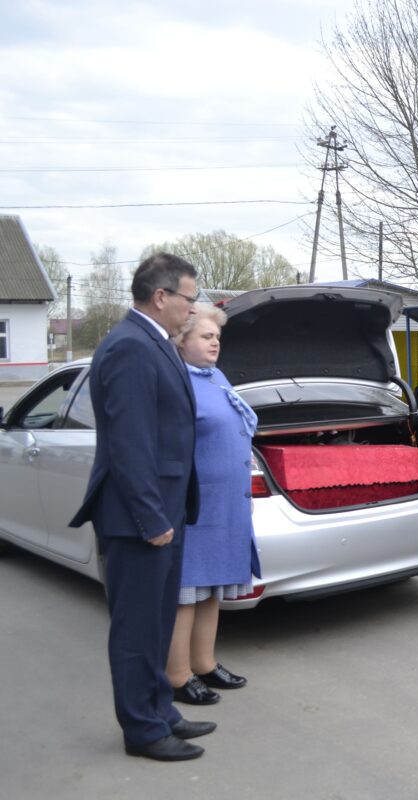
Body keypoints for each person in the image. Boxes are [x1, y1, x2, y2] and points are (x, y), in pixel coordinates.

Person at [68, 253, 215, 762]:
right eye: (189, 298)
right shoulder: (130, 346)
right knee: (136, 629)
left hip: (162, 510)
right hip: (138, 518)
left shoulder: (154, 342)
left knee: (156, 622)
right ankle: (143, 731)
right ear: (160, 297)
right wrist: (151, 517)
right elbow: (130, 444)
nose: (192, 308)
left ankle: (160, 711)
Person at [167, 304, 261, 707]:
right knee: (186, 593)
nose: (215, 343)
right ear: (181, 340)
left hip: (226, 504)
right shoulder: (175, 382)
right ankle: (177, 675)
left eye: (217, 337)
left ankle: (204, 664)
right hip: (194, 506)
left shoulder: (216, 377)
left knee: (211, 589)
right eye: (206, 336)